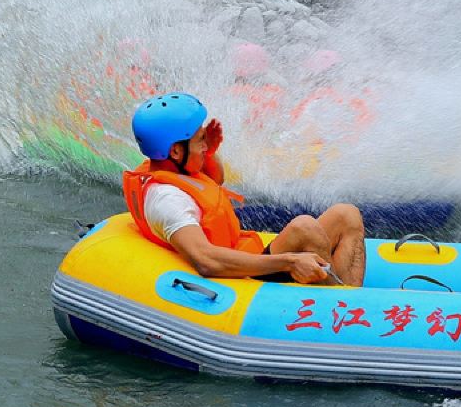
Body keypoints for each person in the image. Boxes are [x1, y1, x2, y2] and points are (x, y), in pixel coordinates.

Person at [123, 92, 367, 286]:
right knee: (305, 227)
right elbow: (206, 261)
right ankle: (341, 308)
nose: (205, 145)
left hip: (245, 255)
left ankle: (348, 299)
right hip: (241, 278)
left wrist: (209, 151)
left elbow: (214, 182)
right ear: (176, 151)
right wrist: (290, 262)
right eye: (200, 140)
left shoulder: (173, 165)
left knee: (346, 214)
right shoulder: (167, 199)